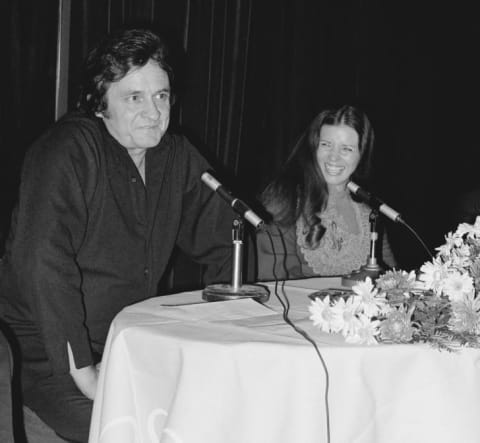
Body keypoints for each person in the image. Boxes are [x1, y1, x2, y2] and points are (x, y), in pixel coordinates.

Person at [0, 28, 234, 442]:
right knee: (137, 430)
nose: (153, 111)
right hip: (42, 354)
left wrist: (224, 328)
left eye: (161, 96)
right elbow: (43, 263)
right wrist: (85, 373)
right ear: (99, 103)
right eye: (134, 98)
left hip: (128, 346)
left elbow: (225, 238)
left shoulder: (175, 155)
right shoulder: (67, 149)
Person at [256, 105, 396, 280]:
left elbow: (392, 282)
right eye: (326, 145)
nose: (333, 157)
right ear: (314, 147)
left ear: (362, 154)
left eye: (346, 149)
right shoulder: (284, 200)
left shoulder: (370, 214)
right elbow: (276, 286)